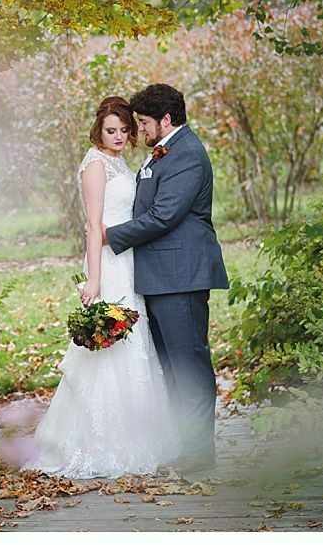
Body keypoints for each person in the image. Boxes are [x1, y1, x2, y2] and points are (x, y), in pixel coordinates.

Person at [20, 96, 178, 479]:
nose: (120, 136)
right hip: (107, 263)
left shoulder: (119, 162)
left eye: (126, 129)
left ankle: (138, 437)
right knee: (110, 348)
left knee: (134, 346)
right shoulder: (94, 165)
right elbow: (93, 227)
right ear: (98, 130)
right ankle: (97, 442)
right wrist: (93, 279)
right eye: (112, 130)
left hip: (129, 260)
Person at [101, 84, 229, 475]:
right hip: (159, 276)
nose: (140, 131)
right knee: (171, 367)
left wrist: (111, 235)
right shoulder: (167, 151)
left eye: (143, 123)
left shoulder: (188, 153)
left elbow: (164, 215)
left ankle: (199, 451)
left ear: (166, 120)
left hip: (181, 276)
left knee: (188, 363)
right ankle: (185, 445)